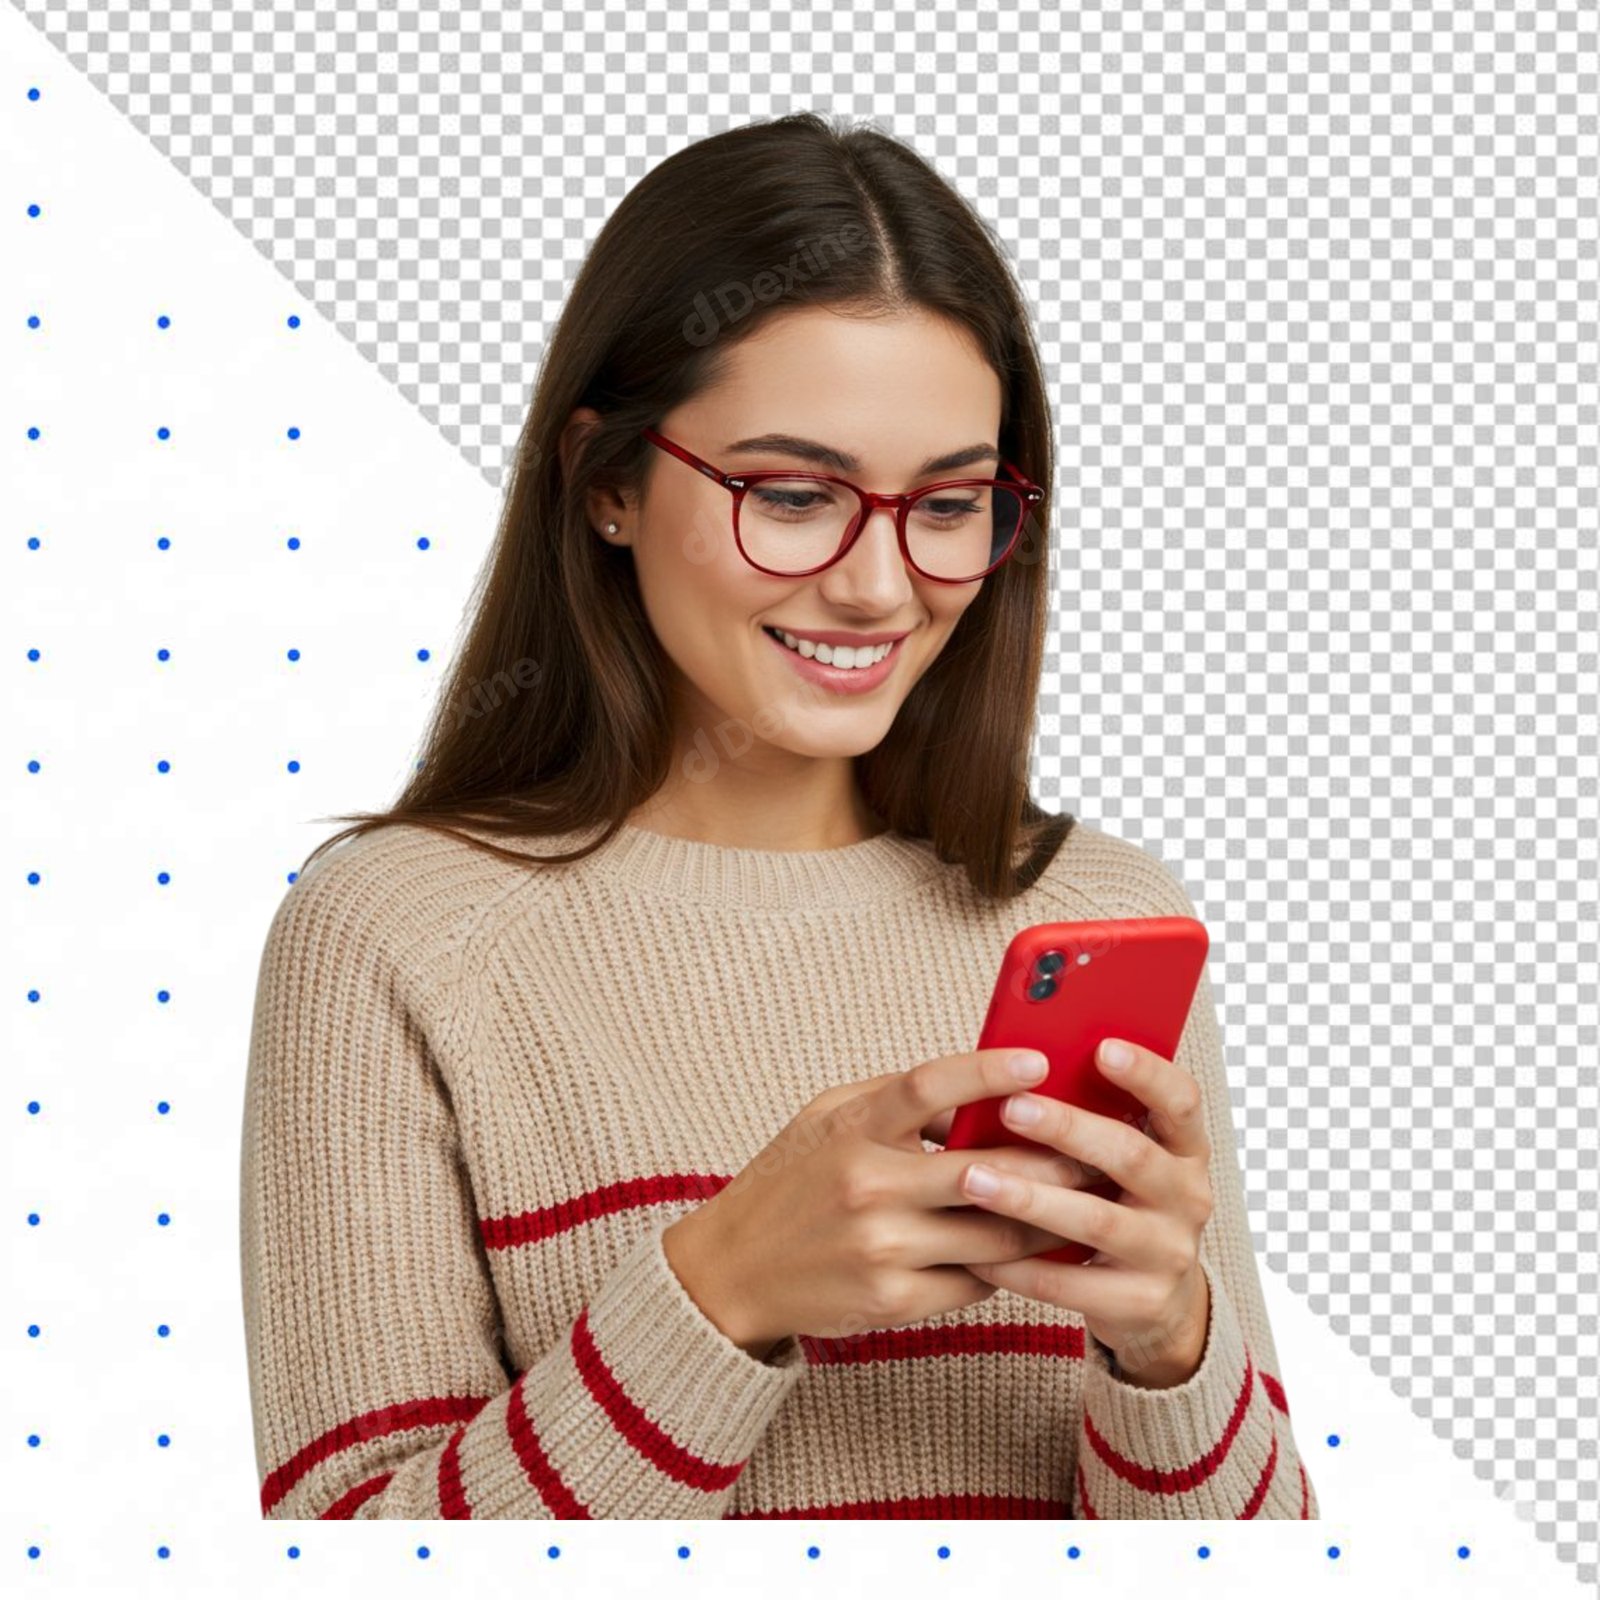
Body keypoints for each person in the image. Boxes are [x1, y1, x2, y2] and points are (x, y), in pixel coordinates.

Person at [239, 111, 1319, 1520]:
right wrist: (724, 1290)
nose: (880, 588)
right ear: (607, 480)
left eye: (950, 503)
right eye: (796, 494)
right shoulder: (397, 933)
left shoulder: (1095, 916)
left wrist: (1170, 1352)